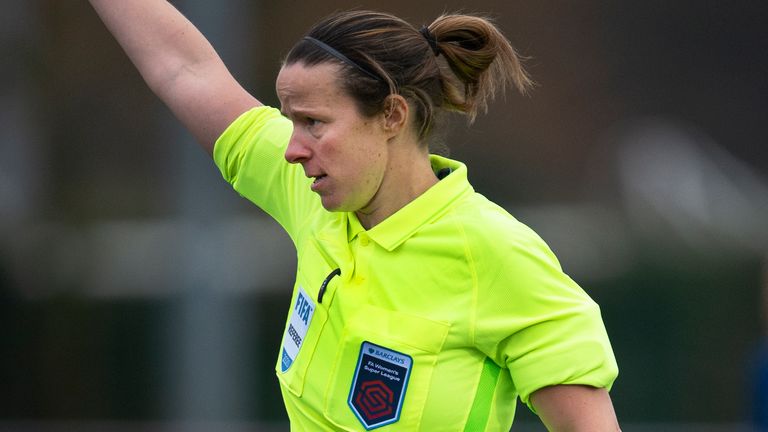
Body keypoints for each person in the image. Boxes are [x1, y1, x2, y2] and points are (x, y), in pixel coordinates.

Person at [88, 1, 620, 430]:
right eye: (290, 121)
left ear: (391, 115)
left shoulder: (497, 254)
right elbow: (184, 69)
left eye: (313, 122)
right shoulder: (312, 196)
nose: (292, 148)